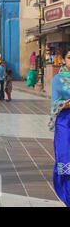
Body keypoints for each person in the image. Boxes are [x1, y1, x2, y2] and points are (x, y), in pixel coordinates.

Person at [50, 47, 70, 207]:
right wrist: (66, 104)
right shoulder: (59, 79)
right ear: (63, 60)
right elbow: (55, 103)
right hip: (66, 123)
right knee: (65, 158)